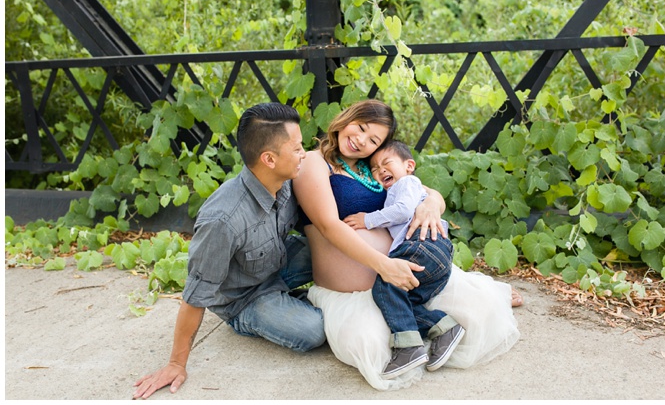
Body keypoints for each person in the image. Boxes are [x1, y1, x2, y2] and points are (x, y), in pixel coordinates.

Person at [293, 99, 521, 391]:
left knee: (482, 310)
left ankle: (446, 313)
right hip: (359, 286)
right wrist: (384, 266)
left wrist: (430, 207)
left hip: (404, 273)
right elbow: (328, 225)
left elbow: (425, 191)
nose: (361, 140)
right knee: (372, 344)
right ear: (347, 118)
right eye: (360, 127)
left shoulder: (375, 167)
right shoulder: (314, 162)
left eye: (373, 140)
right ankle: (428, 328)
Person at [133, 103, 325, 399]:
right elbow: (195, 297)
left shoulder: (287, 181)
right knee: (313, 331)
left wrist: (425, 198)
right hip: (244, 298)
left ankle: (297, 298)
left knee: (334, 250)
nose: (305, 154)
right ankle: (258, 318)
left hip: (277, 262)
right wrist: (175, 363)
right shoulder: (222, 220)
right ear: (269, 159)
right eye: (298, 148)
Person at [343, 140, 464, 379]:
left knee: (386, 285)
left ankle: (408, 348)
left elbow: (404, 210)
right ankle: (445, 327)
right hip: (434, 257)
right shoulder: (393, 190)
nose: (380, 171)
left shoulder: (407, 183)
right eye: (375, 169)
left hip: (422, 245)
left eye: (386, 163)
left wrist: (367, 220)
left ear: (409, 165)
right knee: (399, 303)